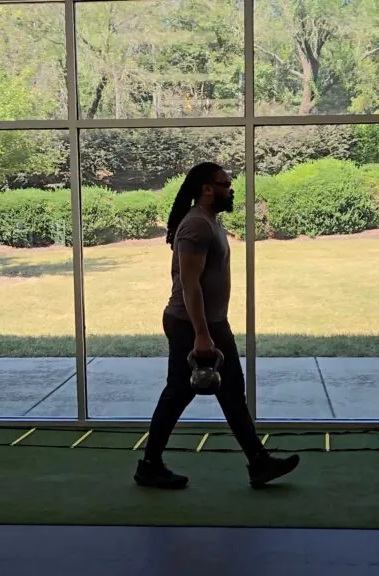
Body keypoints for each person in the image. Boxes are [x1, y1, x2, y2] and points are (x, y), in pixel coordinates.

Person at [133, 162, 300, 490]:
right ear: (207, 189)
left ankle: (258, 462)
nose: (231, 189)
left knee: (227, 392)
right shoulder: (196, 225)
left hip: (207, 323)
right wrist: (202, 334)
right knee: (180, 393)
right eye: (225, 183)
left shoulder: (207, 221)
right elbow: (190, 285)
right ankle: (151, 465)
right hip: (190, 324)